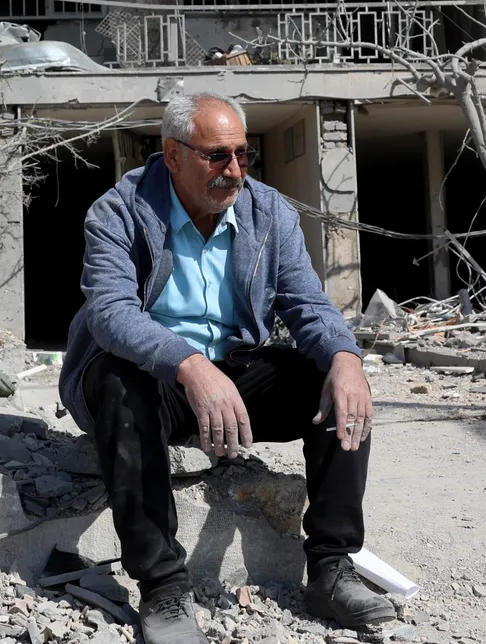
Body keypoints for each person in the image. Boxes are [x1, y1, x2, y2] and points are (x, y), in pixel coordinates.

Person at [58, 93, 394, 644]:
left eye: (243, 154)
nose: (234, 170)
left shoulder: (269, 213)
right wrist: (187, 364)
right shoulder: (119, 210)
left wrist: (345, 358)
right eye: (217, 156)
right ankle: (163, 587)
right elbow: (109, 311)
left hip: (232, 371)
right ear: (172, 156)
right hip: (152, 376)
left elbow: (307, 304)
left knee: (332, 386)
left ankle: (332, 568)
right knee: (119, 386)